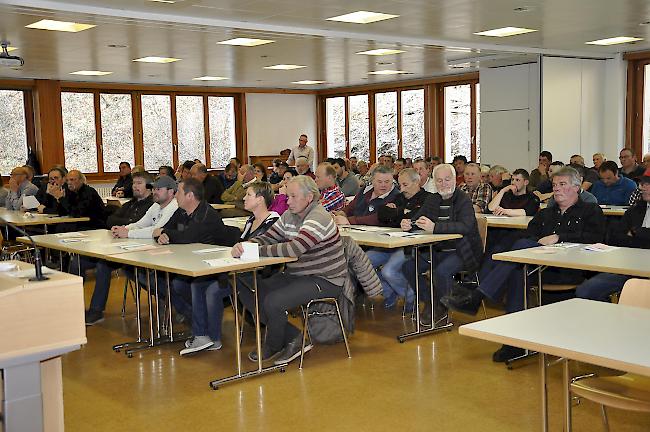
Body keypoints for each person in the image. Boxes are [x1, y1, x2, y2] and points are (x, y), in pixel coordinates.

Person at [441, 166, 606, 362]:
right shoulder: (547, 213)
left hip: (568, 269)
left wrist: (560, 237)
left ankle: (479, 298)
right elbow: (529, 232)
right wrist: (539, 243)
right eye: (554, 185)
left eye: (563, 185)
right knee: (517, 268)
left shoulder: (590, 210)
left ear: (577, 187)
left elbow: (596, 237)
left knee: (518, 257)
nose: (557, 189)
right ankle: (514, 342)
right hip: (537, 267)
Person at [233, 175, 347, 364]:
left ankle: (273, 345)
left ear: (309, 197)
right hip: (297, 274)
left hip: (325, 279)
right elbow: (269, 237)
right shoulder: (289, 215)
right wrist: (247, 244)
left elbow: (296, 248)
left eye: (293, 197)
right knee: (245, 285)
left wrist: (256, 250)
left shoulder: (319, 216)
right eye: (288, 196)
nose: (288, 201)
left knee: (273, 301)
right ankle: (294, 339)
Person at [401, 163, 483, 326]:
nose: (444, 184)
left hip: (462, 250)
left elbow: (465, 226)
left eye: (447, 179)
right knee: (408, 267)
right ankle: (432, 301)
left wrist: (435, 227)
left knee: (442, 271)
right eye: (439, 180)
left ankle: (442, 308)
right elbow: (420, 218)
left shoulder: (463, 199)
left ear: (455, 180)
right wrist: (410, 223)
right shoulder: (433, 198)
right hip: (436, 248)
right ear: (434, 182)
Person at [575, 172, 650, 302]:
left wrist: (636, 233)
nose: (642, 187)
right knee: (585, 291)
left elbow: (630, 237)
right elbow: (615, 238)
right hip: (628, 269)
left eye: (648, 184)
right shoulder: (635, 210)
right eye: (642, 184)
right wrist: (640, 237)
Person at [368, 168, 431, 309]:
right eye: (400, 185)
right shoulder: (400, 197)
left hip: (412, 246)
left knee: (388, 271)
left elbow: (415, 218)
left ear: (417, 182)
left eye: (405, 185)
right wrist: (403, 212)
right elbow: (382, 214)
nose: (401, 189)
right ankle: (389, 290)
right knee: (362, 263)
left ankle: (411, 297)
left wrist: (396, 213)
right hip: (391, 242)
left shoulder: (428, 198)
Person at [333, 165, 400, 226]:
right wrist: (342, 213)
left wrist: (349, 220)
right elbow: (352, 206)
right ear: (372, 181)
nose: (383, 185)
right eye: (379, 182)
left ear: (392, 181)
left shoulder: (397, 197)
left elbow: (377, 219)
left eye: (387, 182)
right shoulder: (365, 190)